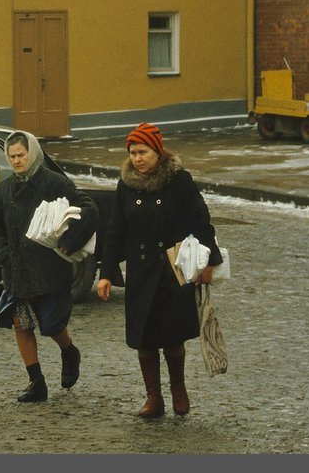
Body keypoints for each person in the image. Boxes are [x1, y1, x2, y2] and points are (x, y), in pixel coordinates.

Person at [96, 122, 222, 418]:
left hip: (173, 271)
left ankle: (178, 389)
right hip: (140, 273)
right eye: (133, 152)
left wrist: (209, 263)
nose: (138, 158)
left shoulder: (179, 181)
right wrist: (105, 273)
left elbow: (201, 221)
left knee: (173, 336)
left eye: (143, 151)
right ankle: (154, 398)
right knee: (144, 337)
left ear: (157, 151)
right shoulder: (126, 185)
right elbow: (115, 229)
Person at [0, 130, 99, 403]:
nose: (16, 161)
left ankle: (69, 351)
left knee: (51, 324)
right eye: (11, 156)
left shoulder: (55, 184)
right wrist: (3, 253)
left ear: (32, 153)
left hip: (49, 271)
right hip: (17, 272)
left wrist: (69, 242)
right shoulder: (0, 191)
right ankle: (36, 382)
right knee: (21, 324)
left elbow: (88, 208)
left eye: (21, 155)